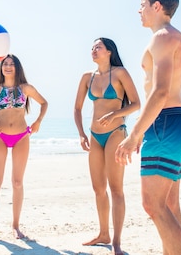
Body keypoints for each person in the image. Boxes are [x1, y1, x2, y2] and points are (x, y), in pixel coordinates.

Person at [115, 0, 181, 255]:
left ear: (156, 6)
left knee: (153, 205)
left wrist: (135, 134)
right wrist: (143, 129)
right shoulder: (170, 36)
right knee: (169, 204)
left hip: (165, 119)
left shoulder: (163, 36)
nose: (139, 10)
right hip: (170, 120)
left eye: (143, 4)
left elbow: (160, 91)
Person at [73, 37, 140, 255]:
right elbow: (77, 108)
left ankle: (117, 242)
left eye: (98, 47)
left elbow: (136, 104)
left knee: (116, 188)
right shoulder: (86, 77)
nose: (93, 50)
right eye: (92, 47)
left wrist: (115, 113)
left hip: (115, 133)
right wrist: (82, 133)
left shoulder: (120, 73)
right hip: (94, 135)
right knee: (98, 188)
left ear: (109, 51)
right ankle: (104, 234)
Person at [0, 54, 48, 241]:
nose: (8, 67)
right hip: (0, 137)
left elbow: (44, 103)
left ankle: (16, 226)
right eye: (5, 64)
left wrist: (38, 122)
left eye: (11, 64)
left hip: (21, 137)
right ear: (1, 68)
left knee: (17, 183)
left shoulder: (26, 88)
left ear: (17, 67)